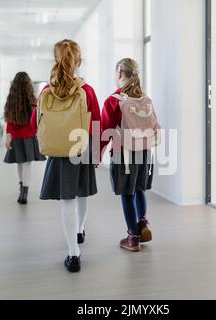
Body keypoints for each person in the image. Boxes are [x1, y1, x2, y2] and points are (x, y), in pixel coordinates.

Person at [37, 39, 101, 273]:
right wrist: (96, 152)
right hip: (81, 147)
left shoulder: (45, 91)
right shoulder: (87, 90)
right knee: (81, 192)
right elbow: (97, 123)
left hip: (57, 150)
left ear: (55, 60)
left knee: (67, 201)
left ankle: (73, 254)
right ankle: (79, 229)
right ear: (79, 62)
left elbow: (40, 122)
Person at [101, 58, 160, 252]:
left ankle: (132, 237)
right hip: (145, 152)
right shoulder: (145, 99)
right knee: (139, 189)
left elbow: (104, 131)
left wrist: (96, 154)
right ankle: (143, 223)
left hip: (123, 154)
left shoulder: (113, 101)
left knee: (127, 193)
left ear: (119, 72)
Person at [4, 72, 46, 205]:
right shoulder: (33, 99)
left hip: (16, 136)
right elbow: (38, 119)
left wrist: (8, 135)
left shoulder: (12, 99)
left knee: (20, 162)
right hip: (29, 135)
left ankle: (21, 188)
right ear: (29, 84)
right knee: (27, 164)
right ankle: (25, 193)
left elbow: (9, 120)